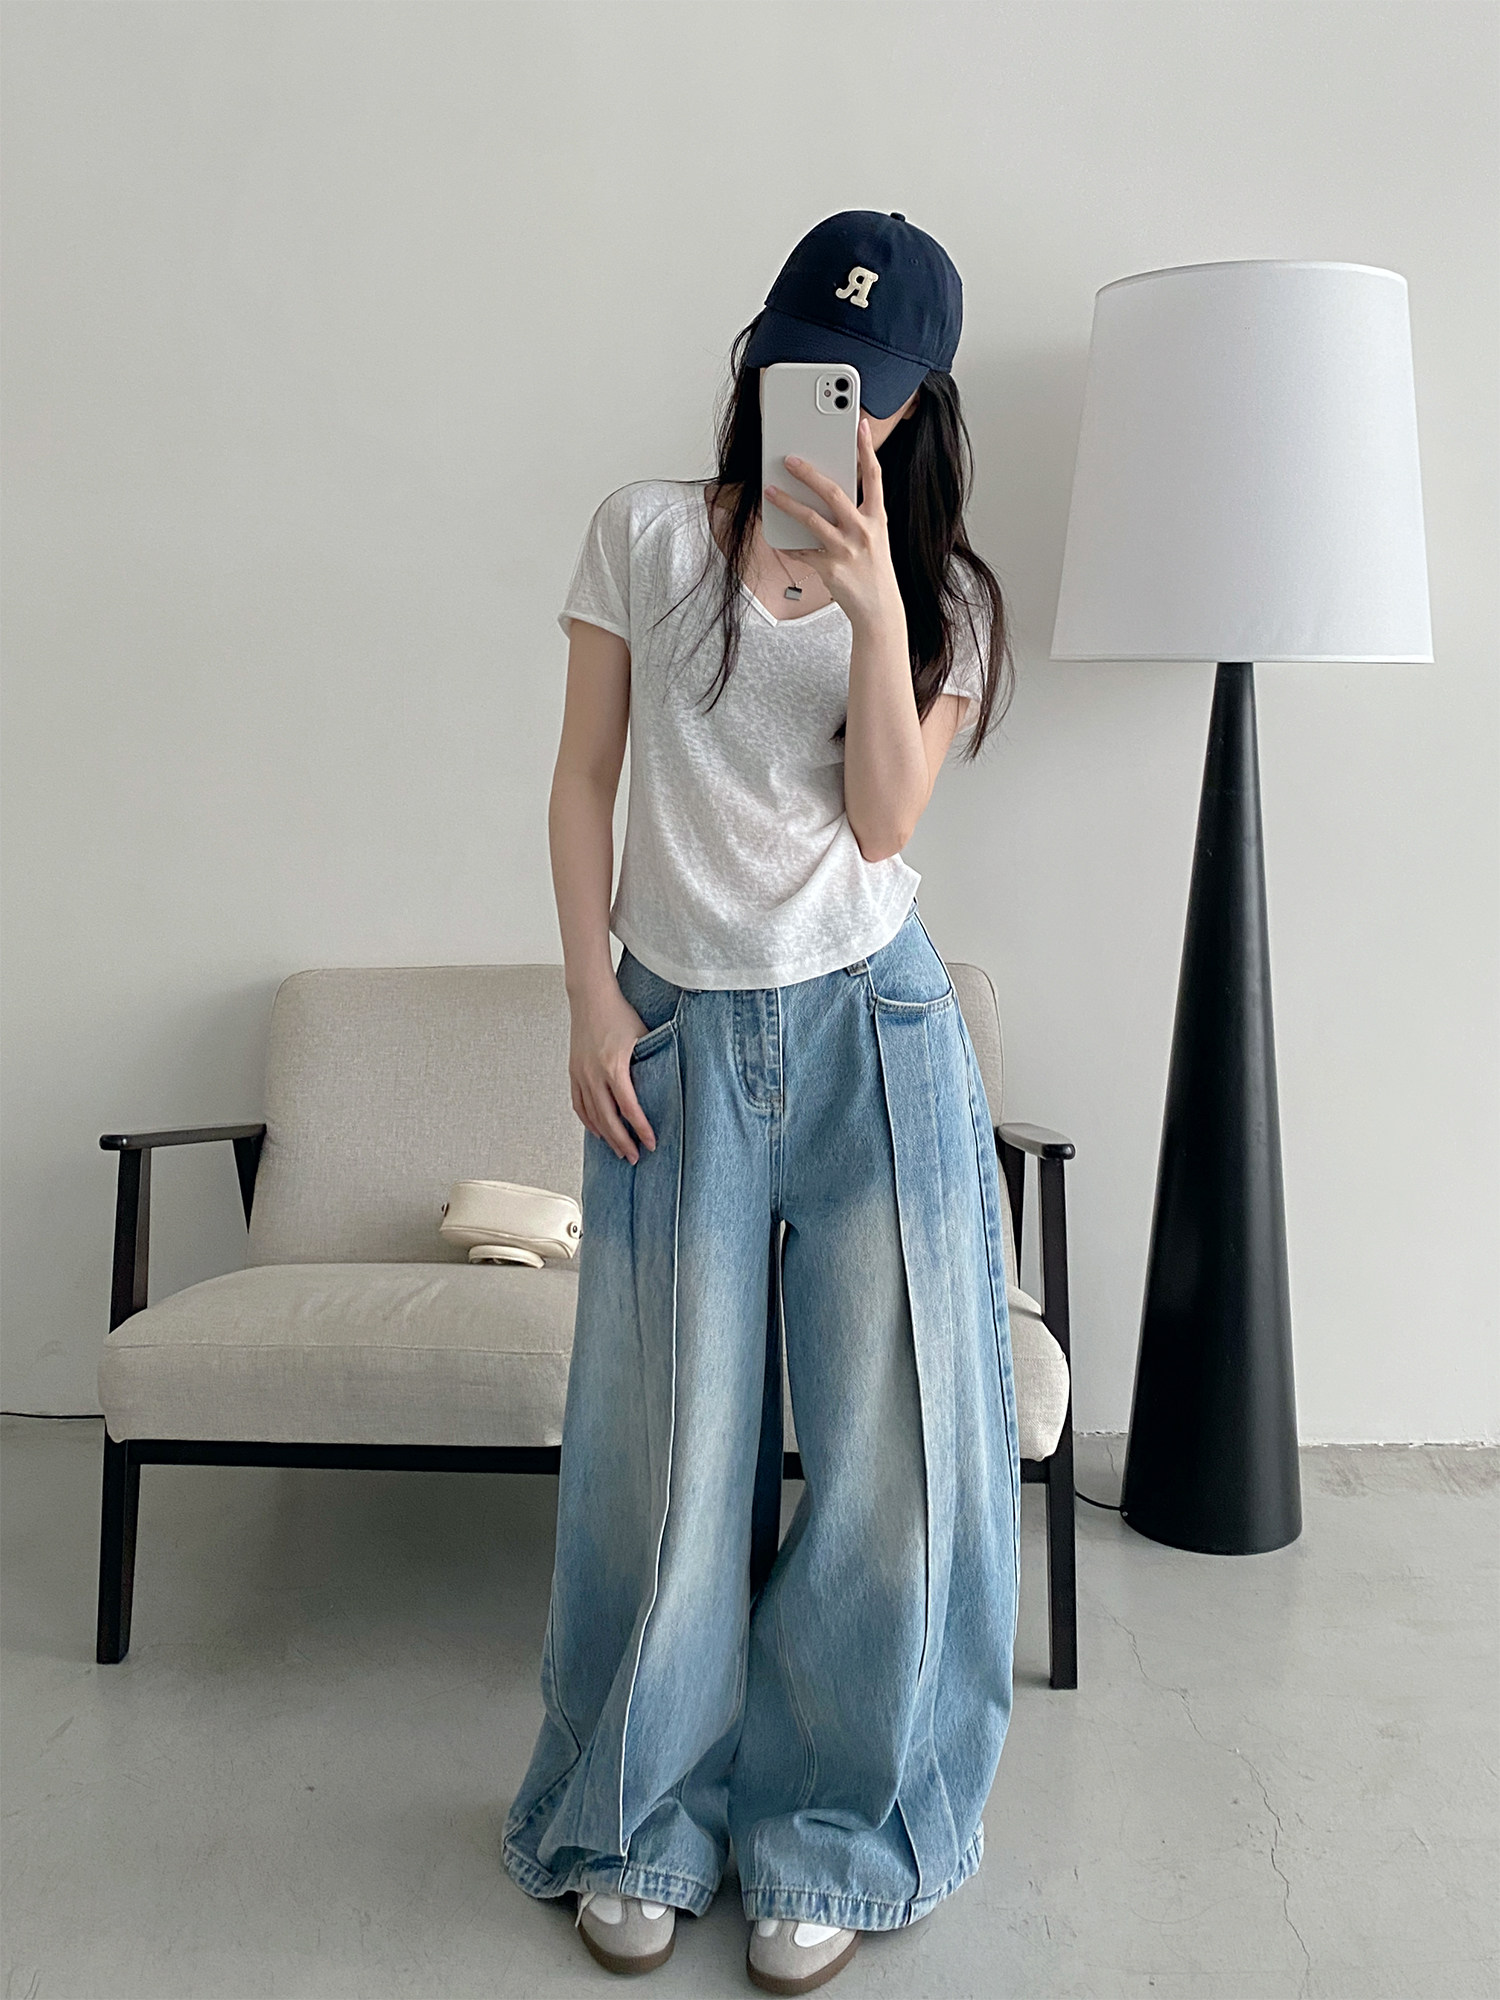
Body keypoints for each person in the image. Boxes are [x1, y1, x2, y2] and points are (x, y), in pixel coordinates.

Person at [501, 210, 1021, 1995]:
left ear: (913, 403)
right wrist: (590, 996)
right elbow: (582, 777)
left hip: (876, 1030)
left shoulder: (947, 597)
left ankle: (838, 1839)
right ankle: (635, 1818)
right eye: (808, 366)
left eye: (864, 388)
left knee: (885, 1460)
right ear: (765, 356)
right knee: (662, 1439)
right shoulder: (645, 533)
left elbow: (883, 821)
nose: (831, 404)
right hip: (672, 1024)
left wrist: (876, 605)